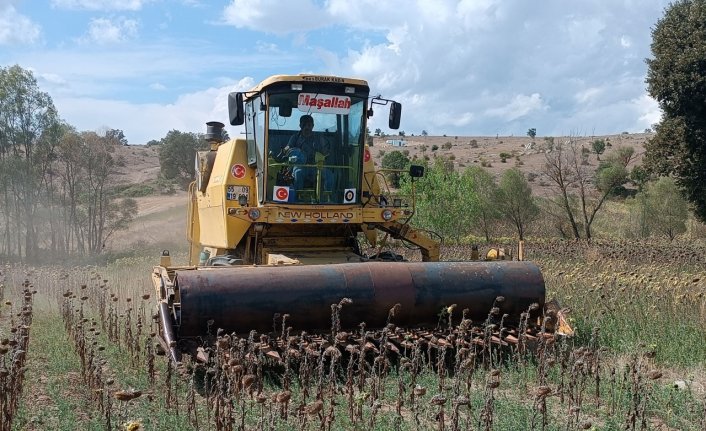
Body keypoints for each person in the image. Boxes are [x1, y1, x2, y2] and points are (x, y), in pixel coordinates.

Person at [285, 115, 333, 192]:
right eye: (304, 125)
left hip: (316, 166)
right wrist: (286, 149)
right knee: (298, 173)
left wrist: (325, 152)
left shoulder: (319, 138)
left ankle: (328, 198)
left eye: (309, 125)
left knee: (329, 175)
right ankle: (297, 199)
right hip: (300, 166)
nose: (307, 127)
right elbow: (288, 148)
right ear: (300, 125)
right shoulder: (295, 138)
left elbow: (326, 151)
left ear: (313, 126)